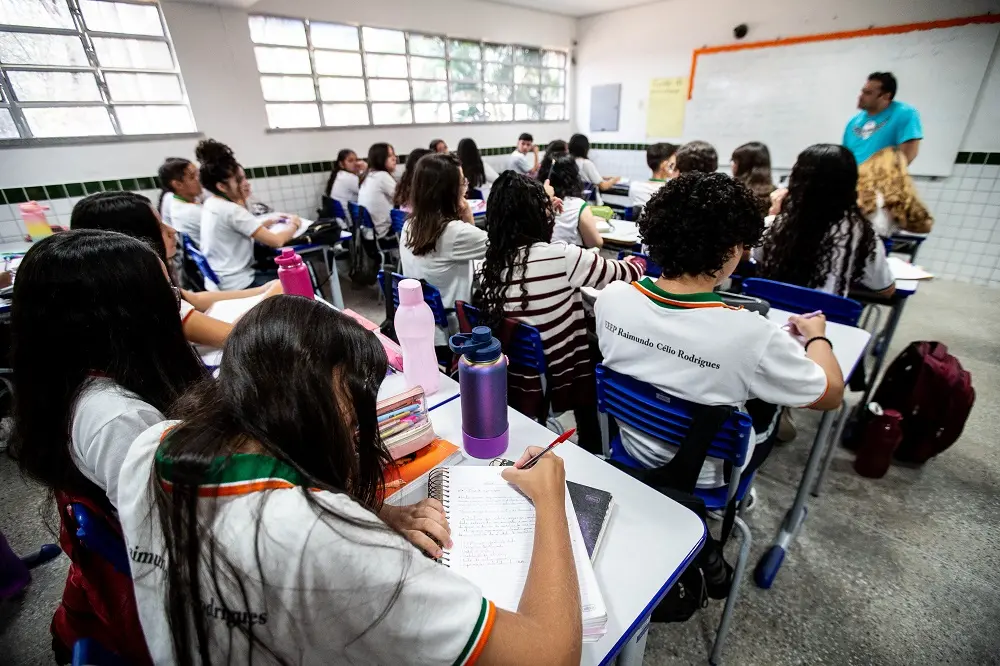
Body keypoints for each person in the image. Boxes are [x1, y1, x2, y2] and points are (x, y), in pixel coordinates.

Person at [117, 296, 582, 665]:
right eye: (355, 417)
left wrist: (375, 513)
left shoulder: (153, 444)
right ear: (324, 404)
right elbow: (550, 655)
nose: (357, 435)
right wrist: (549, 500)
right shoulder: (321, 538)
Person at [9, 229, 206, 662]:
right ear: (129, 316)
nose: (177, 299)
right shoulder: (121, 419)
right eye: (165, 292)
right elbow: (189, 535)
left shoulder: (72, 386)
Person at [595, 172, 845, 488]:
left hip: (631, 447)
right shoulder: (753, 335)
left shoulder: (612, 298)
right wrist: (818, 335)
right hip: (708, 475)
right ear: (731, 250)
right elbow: (831, 395)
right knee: (763, 404)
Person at [475, 171, 644, 454]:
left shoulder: (486, 268)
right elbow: (622, 273)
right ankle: (597, 445)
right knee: (601, 354)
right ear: (540, 217)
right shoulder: (562, 257)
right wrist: (637, 260)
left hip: (520, 371)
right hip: (563, 371)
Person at [71, 191, 282, 349]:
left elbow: (193, 298)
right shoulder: (146, 299)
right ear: (133, 239)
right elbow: (233, 336)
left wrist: (261, 290)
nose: (172, 231)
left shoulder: (111, 286)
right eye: (160, 227)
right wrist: (273, 296)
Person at [756, 144, 895, 298]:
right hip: (824, 318)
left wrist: (773, 214)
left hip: (769, 311)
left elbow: (754, 257)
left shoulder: (775, 225)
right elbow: (886, 289)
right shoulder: (861, 236)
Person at [399, 153, 484, 344]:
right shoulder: (454, 232)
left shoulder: (409, 225)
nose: (465, 188)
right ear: (449, 191)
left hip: (420, 323)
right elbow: (501, 246)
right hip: (452, 333)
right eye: (462, 183)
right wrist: (468, 217)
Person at [196, 139, 301, 290]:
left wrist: (267, 223)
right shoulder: (232, 210)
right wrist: (294, 223)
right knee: (295, 277)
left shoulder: (211, 203)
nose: (246, 183)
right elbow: (277, 241)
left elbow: (239, 227)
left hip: (218, 281)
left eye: (244, 178)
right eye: (239, 180)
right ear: (221, 186)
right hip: (238, 284)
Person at [844, 72, 922, 166]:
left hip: (883, 178)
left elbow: (908, 154)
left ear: (886, 96)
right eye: (862, 92)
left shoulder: (904, 113)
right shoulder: (853, 122)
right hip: (854, 178)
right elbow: (845, 158)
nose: (861, 97)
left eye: (868, 93)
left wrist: (881, 178)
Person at [548, 156, 602, 248]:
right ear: (576, 178)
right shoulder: (578, 204)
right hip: (567, 258)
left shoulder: (543, 202)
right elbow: (596, 243)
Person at [157, 157, 204, 242]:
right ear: (178, 184)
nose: (199, 179)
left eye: (198, 174)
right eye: (193, 177)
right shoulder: (191, 211)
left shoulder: (179, 201)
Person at [358, 142, 398, 238]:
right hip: (382, 231)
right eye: (389, 156)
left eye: (394, 155)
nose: (394, 158)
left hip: (368, 231)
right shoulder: (382, 176)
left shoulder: (368, 175)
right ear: (380, 159)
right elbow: (403, 198)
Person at [568, 133, 619, 205]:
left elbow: (583, 178)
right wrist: (614, 180)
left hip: (575, 202)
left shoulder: (568, 162)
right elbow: (603, 186)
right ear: (585, 148)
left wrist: (602, 177)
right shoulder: (586, 163)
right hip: (589, 204)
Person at [731, 142, 775, 216]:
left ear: (743, 166)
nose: (732, 165)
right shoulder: (776, 195)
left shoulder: (733, 192)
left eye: (734, 161)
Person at [629, 142, 677, 208]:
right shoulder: (671, 190)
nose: (675, 167)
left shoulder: (635, 187)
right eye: (673, 164)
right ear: (665, 165)